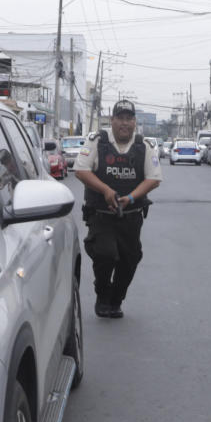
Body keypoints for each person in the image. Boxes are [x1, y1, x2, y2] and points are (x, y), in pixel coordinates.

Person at [75, 100, 162, 318]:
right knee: (105, 254)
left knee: (130, 259)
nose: (124, 123)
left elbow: (153, 179)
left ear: (135, 122)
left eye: (129, 119)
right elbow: (81, 170)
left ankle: (116, 299)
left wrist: (131, 197)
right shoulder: (96, 142)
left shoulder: (145, 146)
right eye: (120, 118)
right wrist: (105, 190)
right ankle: (102, 295)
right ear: (112, 120)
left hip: (131, 216)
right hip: (101, 215)